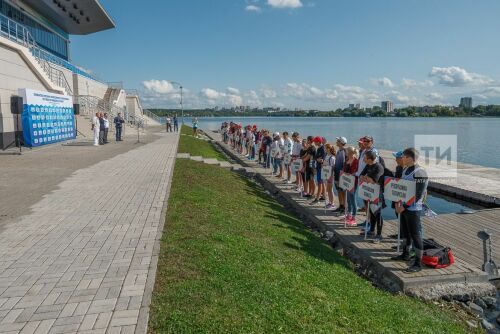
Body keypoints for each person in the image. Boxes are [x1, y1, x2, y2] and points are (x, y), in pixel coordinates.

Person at [393, 148, 428, 273]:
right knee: (405, 232)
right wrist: (397, 203)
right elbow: (401, 188)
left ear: (409, 158)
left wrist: (405, 206)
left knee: (415, 234)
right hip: (403, 206)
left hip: (413, 209)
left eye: (403, 156)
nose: (402, 159)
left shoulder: (420, 173)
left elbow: (418, 194)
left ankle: (418, 263)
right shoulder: (406, 169)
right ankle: (405, 254)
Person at [359, 150, 385, 243]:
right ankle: (372, 231)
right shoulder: (368, 165)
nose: (363, 159)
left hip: (377, 194)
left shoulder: (378, 167)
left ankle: (379, 235)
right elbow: (361, 175)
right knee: (371, 212)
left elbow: (373, 180)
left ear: (370, 159)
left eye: (365, 158)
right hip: (369, 192)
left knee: (378, 214)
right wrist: (366, 178)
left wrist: (366, 178)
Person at [343, 146, 359, 226]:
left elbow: (355, 172)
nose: (345, 153)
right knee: (348, 199)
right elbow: (344, 169)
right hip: (347, 182)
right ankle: (349, 215)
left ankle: (354, 217)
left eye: (346, 152)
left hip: (353, 182)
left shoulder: (356, 161)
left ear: (350, 152)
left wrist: (349, 174)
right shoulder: (347, 159)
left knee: (352, 199)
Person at [333, 136, 347, 214]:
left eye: (338, 141)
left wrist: (342, 175)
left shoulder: (344, 152)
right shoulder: (338, 151)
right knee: (338, 190)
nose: (336, 142)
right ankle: (341, 205)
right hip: (337, 173)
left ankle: (344, 207)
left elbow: (344, 165)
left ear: (341, 142)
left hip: (341, 175)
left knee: (343, 191)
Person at [311, 136, 326, 204]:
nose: (314, 142)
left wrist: (316, 159)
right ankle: (323, 196)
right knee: (321, 183)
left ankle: (317, 198)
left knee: (319, 183)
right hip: (318, 167)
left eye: (315, 141)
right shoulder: (319, 148)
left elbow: (322, 160)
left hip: (321, 168)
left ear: (318, 142)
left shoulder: (322, 149)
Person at [324, 143, 336, 209]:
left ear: (328, 149)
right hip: (326, 174)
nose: (325, 149)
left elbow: (332, 167)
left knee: (330, 189)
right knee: (328, 189)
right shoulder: (327, 155)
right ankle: (330, 202)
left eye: (325, 148)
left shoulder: (332, 157)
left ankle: (332, 203)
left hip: (330, 175)